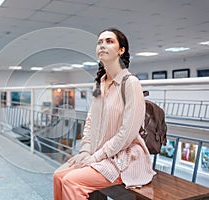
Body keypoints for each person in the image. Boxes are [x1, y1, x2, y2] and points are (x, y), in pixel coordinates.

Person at [53, 28, 156, 200]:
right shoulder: (99, 84)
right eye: (100, 42)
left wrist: (96, 157)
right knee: (58, 175)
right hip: (97, 153)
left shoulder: (131, 83)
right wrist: (85, 151)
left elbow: (127, 133)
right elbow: (90, 122)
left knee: (72, 181)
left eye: (109, 41)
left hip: (123, 158)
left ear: (121, 50)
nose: (102, 45)